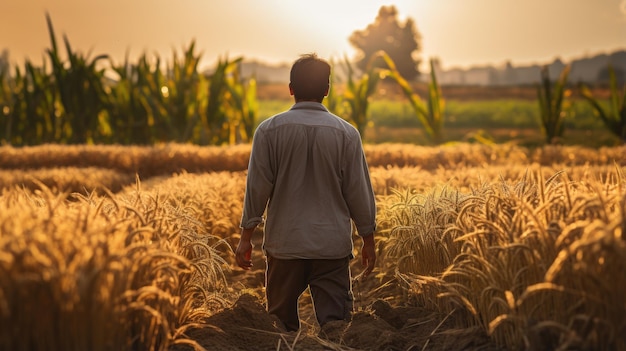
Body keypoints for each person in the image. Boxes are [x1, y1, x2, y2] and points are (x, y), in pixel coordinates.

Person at [235, 53, 377, 332]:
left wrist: (245, 238)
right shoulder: (347, 134)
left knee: (279, 328)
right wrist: (368, 238)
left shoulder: (268, 131)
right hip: (331, 247)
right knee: (337, 328)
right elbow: (359, 191)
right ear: (327, 89)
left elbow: (257, 188)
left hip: (285, 245)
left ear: (290, 89)